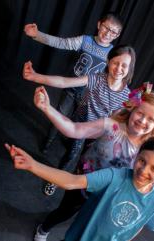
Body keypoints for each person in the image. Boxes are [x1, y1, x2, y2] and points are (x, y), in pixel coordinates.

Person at [29, 83, 154, 241]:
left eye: (150, 119)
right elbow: (73, 129)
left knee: (89, 221)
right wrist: (47, 107)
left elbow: (149, 175)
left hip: (109, 195)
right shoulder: (111, 126)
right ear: (132, 109)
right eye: (140, 113)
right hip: (82, 184)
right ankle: (44, 228)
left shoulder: (149, 149)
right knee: (65, 212)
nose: (143, 120)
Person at [5, 136, 154, 240]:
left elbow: (137, 224)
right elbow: (71, 180)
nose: (143, 170)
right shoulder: (114, 176)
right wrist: (33, 165)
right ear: (137, 155)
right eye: (142, 161)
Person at [23, 44, 135, 195]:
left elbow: (117, 120)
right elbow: (64, 82)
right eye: (116, 62)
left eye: (124, 65)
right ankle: (55, 179)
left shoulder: (126, 96)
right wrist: (35, 77)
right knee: (71, 154)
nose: (119, 68)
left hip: (98, 132)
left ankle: (79, 181)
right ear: (108, 61)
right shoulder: (96, 79)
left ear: (130, 68)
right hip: (82, 122)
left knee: (87, 160)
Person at [24, 13, 123, 154]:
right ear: (99, 24)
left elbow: (115, 76)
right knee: (60, 113)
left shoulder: (113, 54)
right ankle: (49, 139)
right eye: (106, 28)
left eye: (113, 31)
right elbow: (61, 42)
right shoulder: (85, 40)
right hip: (71, 87)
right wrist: (37, 34)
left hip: (89, 95)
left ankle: (72, 145)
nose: (108, 33)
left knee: (81, 122)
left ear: (117, 35)